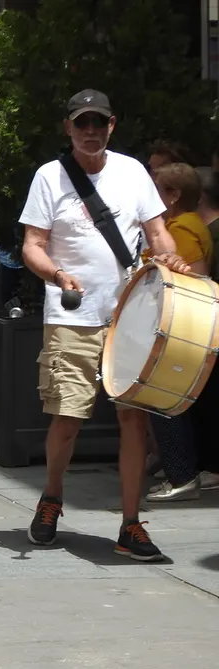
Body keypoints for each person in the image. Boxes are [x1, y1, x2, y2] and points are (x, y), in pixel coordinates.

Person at [20, 89, 189, 561]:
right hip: (72, 316)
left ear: (111, 125)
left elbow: (157, 233)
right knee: (67, 418)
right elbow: (32, 244)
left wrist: (171, 257)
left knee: (133, 419)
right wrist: (57, 274)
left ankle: (130, 523)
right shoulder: (49, 177)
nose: (90, 131)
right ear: (68, 128)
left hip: (131, 316)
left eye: (98, 122)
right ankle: (52, 497)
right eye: (82, 123)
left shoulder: (132, 172)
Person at [143, 162, 216, 502]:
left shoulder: (182, 229)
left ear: (172, 196)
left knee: (165, 399)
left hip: (180, 329)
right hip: (184, 328)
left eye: (156, 190)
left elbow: (193, 279)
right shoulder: (187, 224)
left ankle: (181, 476)